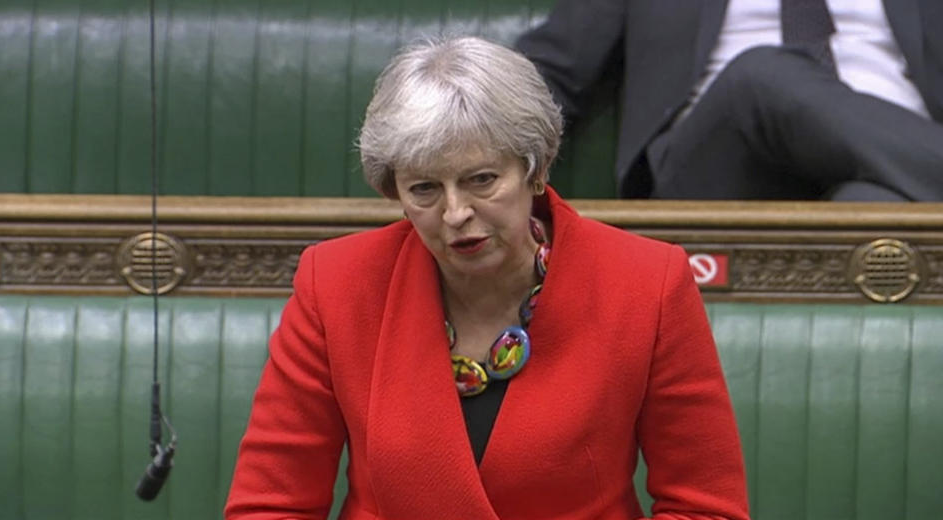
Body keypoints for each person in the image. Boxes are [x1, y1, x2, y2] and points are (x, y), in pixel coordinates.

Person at [225, 36, 748, 520]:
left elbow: (706, 505)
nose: (455, 213)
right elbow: (270, 505)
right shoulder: (337, 284)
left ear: (535, 168)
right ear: (394, 192)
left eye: (481, 180)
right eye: (425, 189)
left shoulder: (645, 284)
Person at [516, 0, 943, 201]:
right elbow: (552, 68)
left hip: (887, 162)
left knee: (872, 213)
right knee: (761, 78)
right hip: (715, 161)